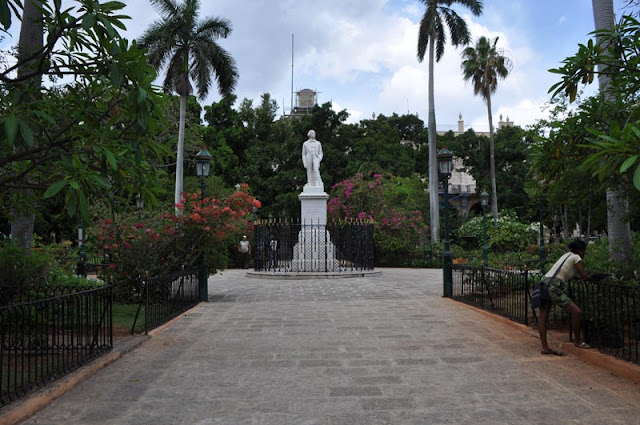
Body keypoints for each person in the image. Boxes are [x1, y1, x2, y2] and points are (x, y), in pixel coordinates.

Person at [538, 240, 596, 356]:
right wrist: (593, 277)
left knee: (543, 317)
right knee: (577, 311)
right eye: (583, 251)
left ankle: (545, 347)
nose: (584, 254)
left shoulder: (566, 256)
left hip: (544, 283)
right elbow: (584, 275)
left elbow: (569, 274)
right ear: (580, 250)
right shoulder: (576, 258)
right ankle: (578, 341)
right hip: (554, 286)